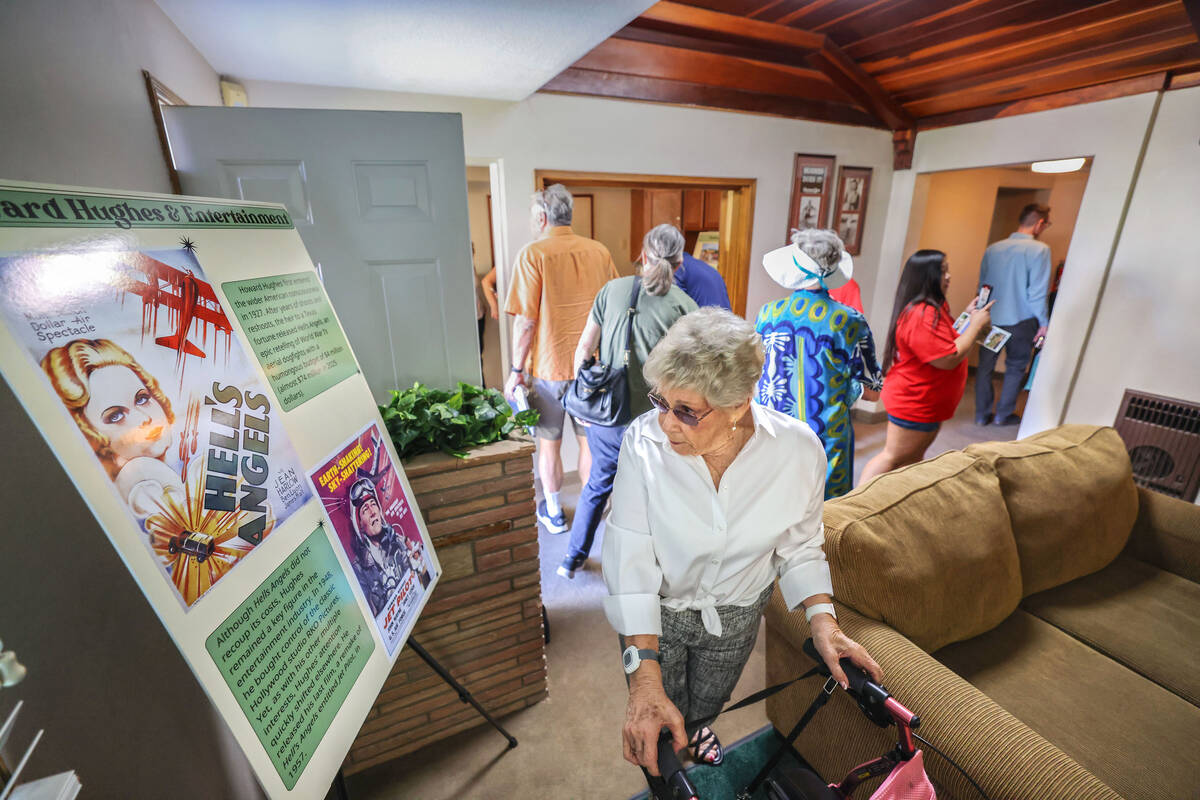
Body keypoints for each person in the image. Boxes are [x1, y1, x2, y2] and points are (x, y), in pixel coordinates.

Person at [602, 308, 882, 784]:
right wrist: (644, 677)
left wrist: (824, 623)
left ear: (738, 404)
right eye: (660, 402)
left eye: (686, 411)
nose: (666, 424)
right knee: (658, 716)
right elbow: (629, 556)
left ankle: (698, 730)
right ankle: (672, 763)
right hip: (657, 611)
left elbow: (800, 546)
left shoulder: (798, 451)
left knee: (708, 702)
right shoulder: (642, 442)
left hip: (736, 612)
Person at [556, 224, 697, 580]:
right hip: (655, 420)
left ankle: (572, 558)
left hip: (608, 415)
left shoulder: (612, 290)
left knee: (597, 485)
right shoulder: (685, 306)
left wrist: (583, 399)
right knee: (655, 494)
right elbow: (692, 370)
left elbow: (584, 347)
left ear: (643, 255)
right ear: (679, 262)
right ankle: (645, 568)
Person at [504, 184, 619, 534]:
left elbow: (526, 322)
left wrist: (515, 370)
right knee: (590, 444)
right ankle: (590, 514)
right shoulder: (599, 252)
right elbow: (614, 310)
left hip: (549, 370)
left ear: (542, 217)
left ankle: (554, 513)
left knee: (548, 446)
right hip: (592, 370)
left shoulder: (533, 254)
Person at [756, 229, 882, 499]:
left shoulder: (767, 314)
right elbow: (873, 391)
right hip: (825, 439)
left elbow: (755, 373)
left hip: (773, 435)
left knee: (772, 502)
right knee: (825, 512)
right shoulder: (850, 321)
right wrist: (847, 387)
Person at [858, 250, 992, 485]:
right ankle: (857, 502)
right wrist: (975, 326)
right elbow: (947, 357)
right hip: (915, 400)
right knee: (892, 457)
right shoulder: (921, 314)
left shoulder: (933, 308)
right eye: (942, 271)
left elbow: (943, 340)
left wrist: (967, 317)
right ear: (926, 275)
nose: (948, 276)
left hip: (928, 400)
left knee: (911, 459)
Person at [42, 338, 184, 521]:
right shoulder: (139, 493)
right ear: (90, 435)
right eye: (116, 416)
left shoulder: (178, 465)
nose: (144, 418)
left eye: (142, 399)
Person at [975, 203, 1051, 426]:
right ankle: (1002, 415)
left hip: (991, 319)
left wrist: (979, 315)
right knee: (1016, 367)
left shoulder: (993, 249)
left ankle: (981, 415)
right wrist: (1044, 323)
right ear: (1039, 223)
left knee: (985, 368)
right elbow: (1036, 293)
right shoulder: (1040, 250)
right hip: (1021, 322)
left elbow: (982, 287)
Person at [348, 476, 412, 616]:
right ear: (360, 525)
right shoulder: (358, 569)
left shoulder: (398, 541)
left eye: (373, 504)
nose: (372, 512)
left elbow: (418, 574)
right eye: (365, 509)